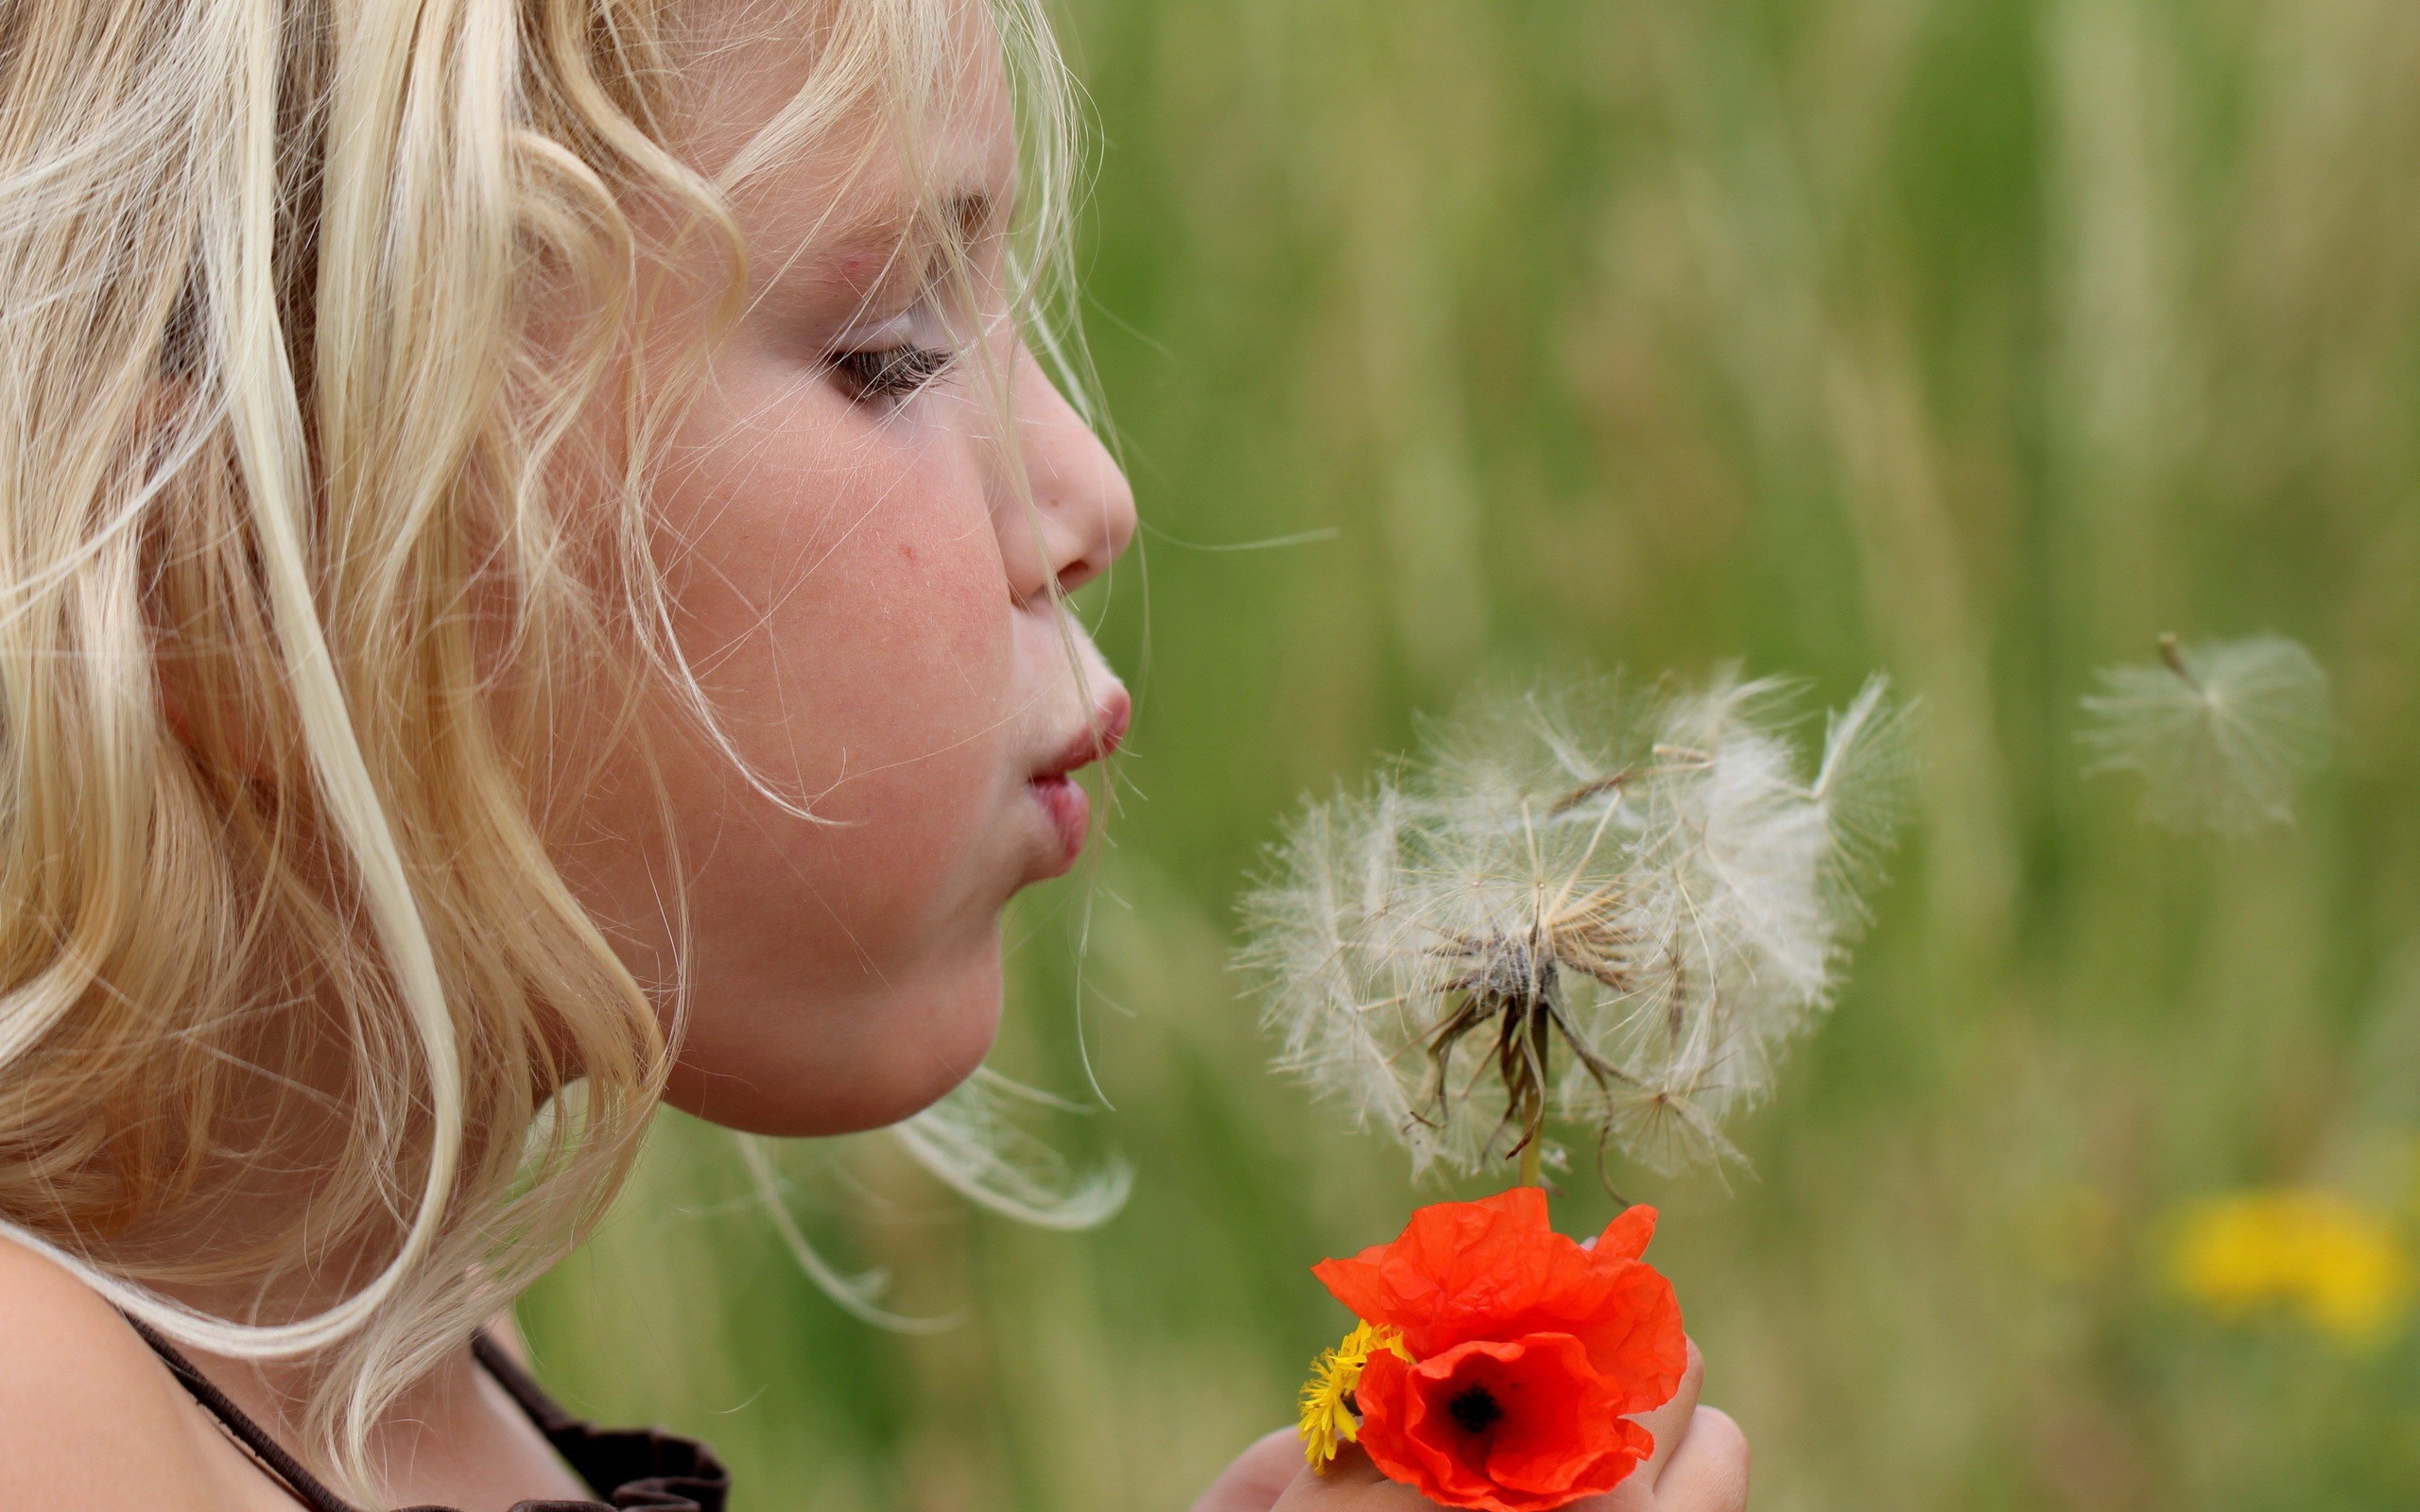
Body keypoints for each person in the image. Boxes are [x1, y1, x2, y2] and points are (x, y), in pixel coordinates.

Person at [0, 1, 1752, 1508]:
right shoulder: (45, 1409)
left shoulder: (384, 1347)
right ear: (236, 551)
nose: (1086, 494)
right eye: (888, 354)